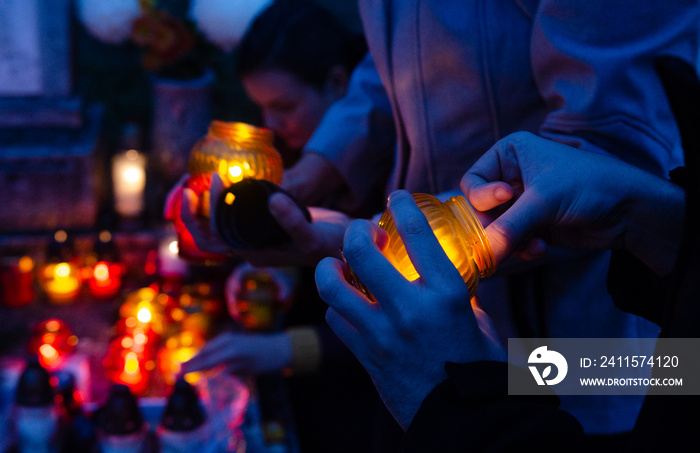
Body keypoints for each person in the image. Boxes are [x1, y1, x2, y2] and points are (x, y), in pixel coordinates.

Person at [182, 0, 700, 438]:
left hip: (596, 346)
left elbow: (616, 159)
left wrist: (388, 239)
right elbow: (389, 76)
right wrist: (310, 176)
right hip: (443, 347)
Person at [176, 2, 403, 451]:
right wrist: (271, 268)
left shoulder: (404, 184)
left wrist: (282, 350)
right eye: (262, 109)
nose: (270, 126)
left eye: (284, 106)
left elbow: (410, 326)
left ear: (339, 84)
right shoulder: (296, 162)